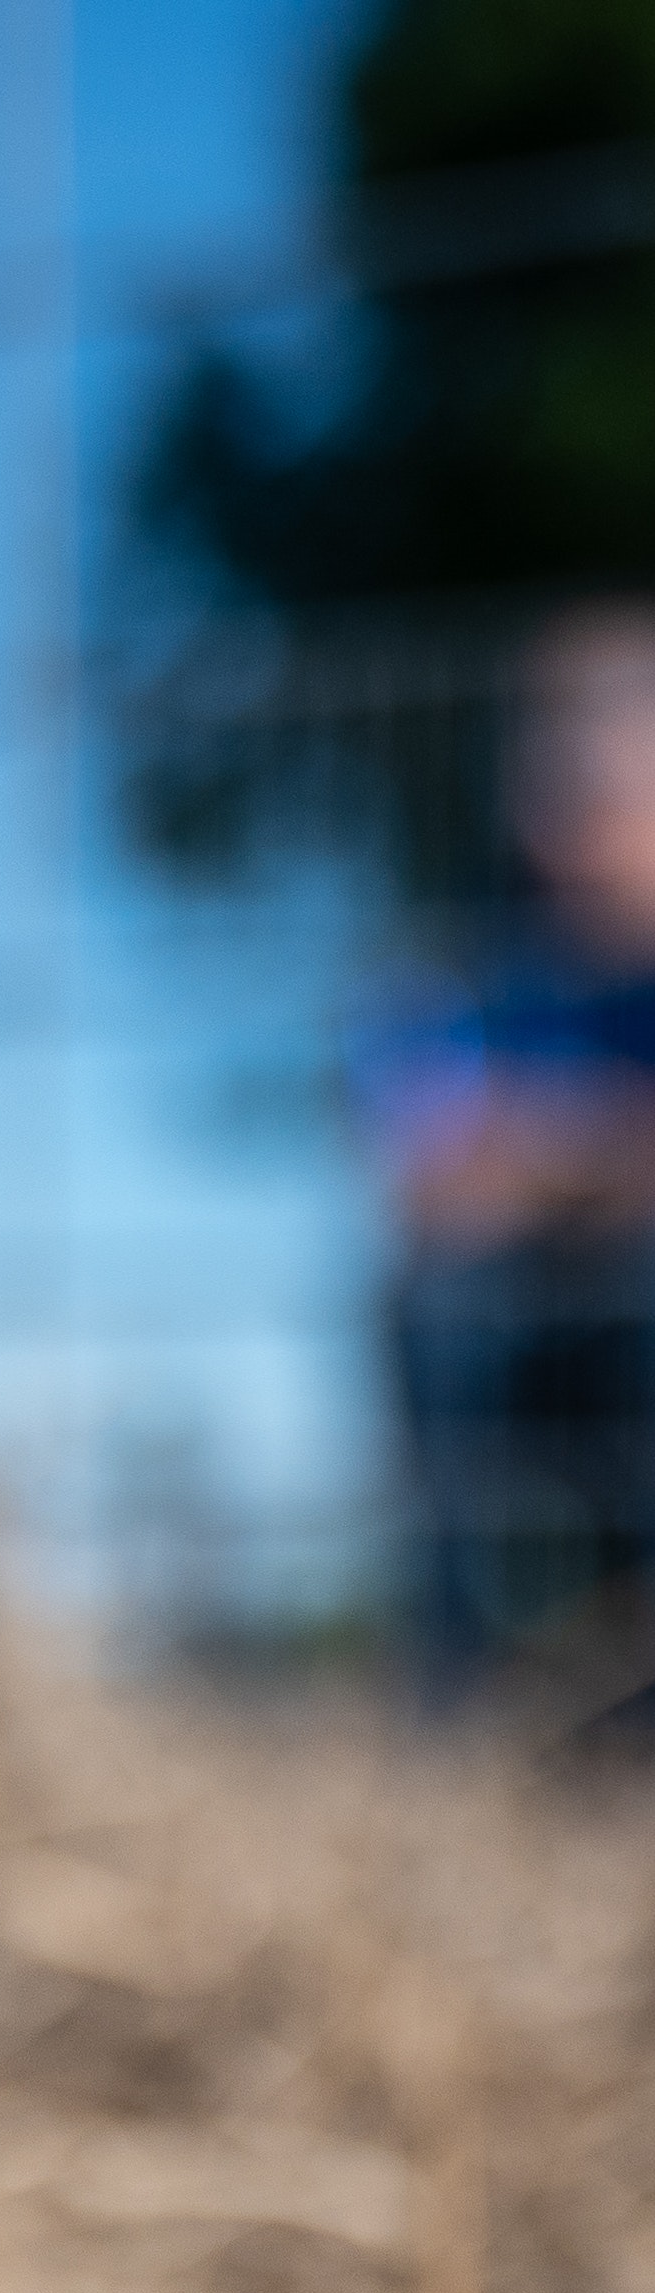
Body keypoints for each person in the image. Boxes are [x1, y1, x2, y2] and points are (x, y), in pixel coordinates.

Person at [361, 603, 655, 1698]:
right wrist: (606, 1149)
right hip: (512, 1307)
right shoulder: (463, 954)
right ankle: (454, 1698)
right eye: (550, 753)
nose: (575, 795)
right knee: (434, 1303)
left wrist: (534, 1144)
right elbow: (424, 1169)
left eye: (612, 759)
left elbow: (491, 1152)